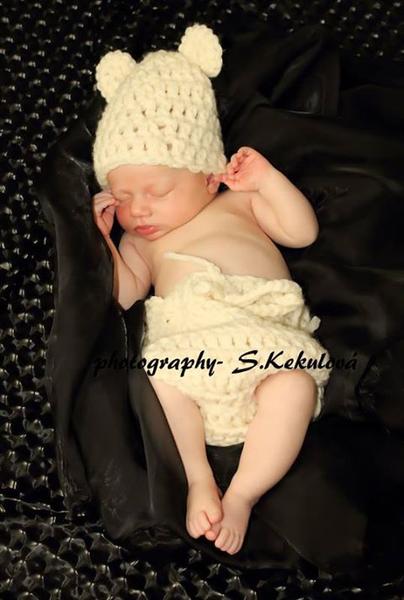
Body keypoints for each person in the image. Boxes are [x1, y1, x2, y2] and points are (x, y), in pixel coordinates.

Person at [91, 24, 332, 556]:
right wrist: (106, 241)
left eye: (156, 191)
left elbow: (302, 233)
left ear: (208, 176)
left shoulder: (238, 203)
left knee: (295, 387)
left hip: (265, 338)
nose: (139, 209)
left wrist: (267, 180)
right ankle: (199, 478)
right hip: (191, 348)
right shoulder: (141, 241)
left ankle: (242, 494)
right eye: (122, 196)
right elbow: (124, 296)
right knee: (162, 375)